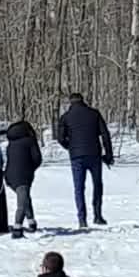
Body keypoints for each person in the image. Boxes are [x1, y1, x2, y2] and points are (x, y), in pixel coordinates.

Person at [53, 93, 114, 227]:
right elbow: (105, 134)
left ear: (70, 102)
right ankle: (98, 215)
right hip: (94, 154)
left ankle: (82, 219)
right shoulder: (94, 114)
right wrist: (109, 154)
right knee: (97, 185)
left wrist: (70, 147)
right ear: (83, 101)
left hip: (76, 157)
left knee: (79, 188)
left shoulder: (66, 117)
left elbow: (60, 138)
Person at [5, 119, 44, 238]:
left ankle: (31, 221)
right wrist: (31, 168)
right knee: (22, 202)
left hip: (10, 176)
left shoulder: (11, 144)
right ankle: (17, 227)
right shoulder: (30, 141)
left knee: (25, 198)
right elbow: (37, 158)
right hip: (23, 175)